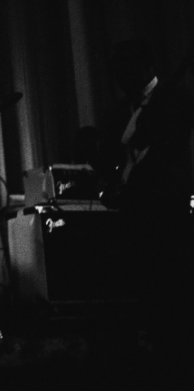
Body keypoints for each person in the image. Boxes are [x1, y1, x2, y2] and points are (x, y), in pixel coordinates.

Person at [94, 39, 194, 363]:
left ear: (147, 67)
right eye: (116, 72)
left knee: (172, 283)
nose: (120, 78)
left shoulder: (177, 99)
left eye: (127, 70)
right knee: (139, 284)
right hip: (131, 205)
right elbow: (107, 154)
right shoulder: (115, 110)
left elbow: (175, 147)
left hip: (167, 203)